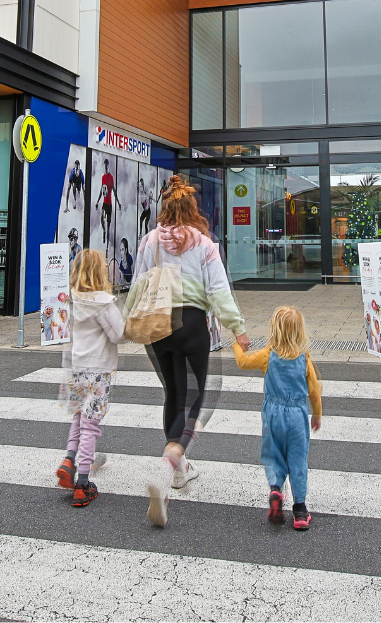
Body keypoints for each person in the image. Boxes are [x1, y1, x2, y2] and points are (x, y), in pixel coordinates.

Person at [129, 175, 249, 529]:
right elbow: (219, 291)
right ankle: (170, 461)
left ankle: (179, 471)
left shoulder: (149, 241)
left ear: (165, 208)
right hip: (192, 324)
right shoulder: (203, 242)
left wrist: (126, 323)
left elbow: (137, 286)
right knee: (199, 396)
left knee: (173, 393)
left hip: (157, 326)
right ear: (191, 209)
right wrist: (238, 329)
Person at [232, 306, 322, 530]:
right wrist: (317, 415)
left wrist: (236, 345)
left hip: (273, 415)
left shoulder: (267, 356)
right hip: (298, 415)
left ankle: (275, 488)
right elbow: (314, 392)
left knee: (274, 455)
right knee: (298, 460)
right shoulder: (304, 360)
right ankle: (300, 510)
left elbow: (242, 362)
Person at [56, 250, 126, 507]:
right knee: (90, 425)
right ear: (99, 271)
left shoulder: (72, 300)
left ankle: (69, 460)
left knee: (78, 417)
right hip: (98, 371)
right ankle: (83, 483)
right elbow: (119, 333)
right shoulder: (104, 303)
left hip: (76, 369)